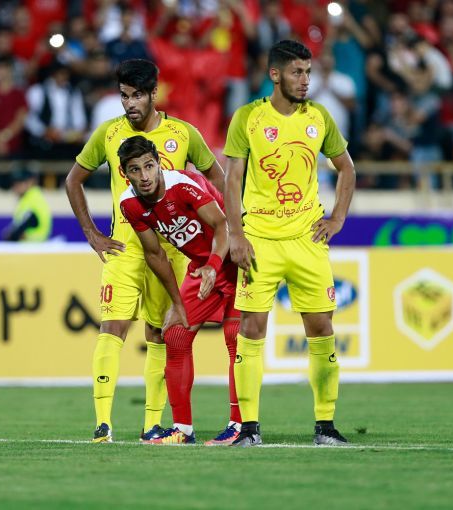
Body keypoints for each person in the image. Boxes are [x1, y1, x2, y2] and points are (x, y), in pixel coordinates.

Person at [65, 58, 225, 443]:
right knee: (113, 327)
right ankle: (102, 423)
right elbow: (74, 180)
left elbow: (216, 176)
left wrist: (221, 224)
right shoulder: (108, 133)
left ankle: (152, 423)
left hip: (172, 251)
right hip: (124, 248)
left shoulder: (183, 134)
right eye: (124, 96)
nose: (130, 104)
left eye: (137, 95)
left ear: (154, 94)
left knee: (160, 332)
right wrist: (91, 233)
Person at [222, 40, 356, 447]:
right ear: (275, 74)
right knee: (251, 329)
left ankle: (325, 425)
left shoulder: (319, 116)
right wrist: (236, 234)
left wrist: (337, 218)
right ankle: (249, 428)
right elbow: (231, 179)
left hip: (306, 241)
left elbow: (347, 168)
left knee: (322, 328)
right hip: (260, 241)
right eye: (297, 72)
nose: (305, 80)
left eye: (308, 72)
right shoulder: (248, 117)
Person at [118, 136, 241, 445]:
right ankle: (183, 430)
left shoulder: (182, 185)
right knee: (175, 336)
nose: (144, 176)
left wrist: (213, 265)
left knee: (235, 338)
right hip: (202, 266)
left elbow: (223, 225)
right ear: (125, 173)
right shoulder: (129, 204)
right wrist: (176, 302)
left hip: (236, 259)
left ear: (160, 164)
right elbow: (155, 255)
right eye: (135, 170)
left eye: (149, 166)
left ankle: (240, 425)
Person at [2, 168, 52, 242]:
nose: (16, 186)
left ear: (30, 182)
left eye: (20, 182)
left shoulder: (33, 200)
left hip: (32, 246)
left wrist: (11, 234)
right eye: (14, 183)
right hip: (33, 245)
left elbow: (15, 232)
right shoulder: (29, 198)